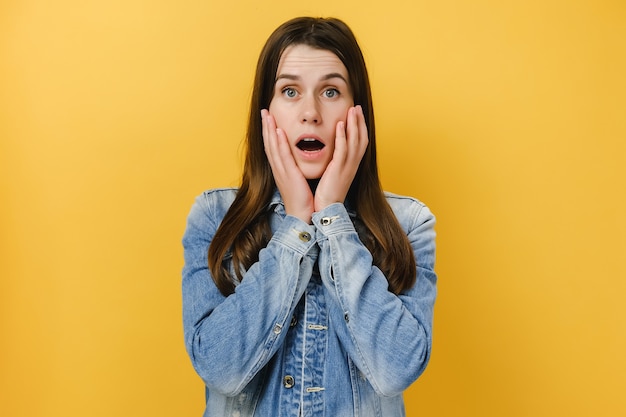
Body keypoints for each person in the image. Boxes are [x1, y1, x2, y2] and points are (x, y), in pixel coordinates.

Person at [182, 16, 437, 417]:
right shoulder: (213, 217)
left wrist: (332, 218)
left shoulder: (410, 224)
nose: (310, 113)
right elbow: (220, 369)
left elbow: (394, 371)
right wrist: (297, 223)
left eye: (331, 91)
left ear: (357, 112)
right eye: (289, 91)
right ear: (266, 112)